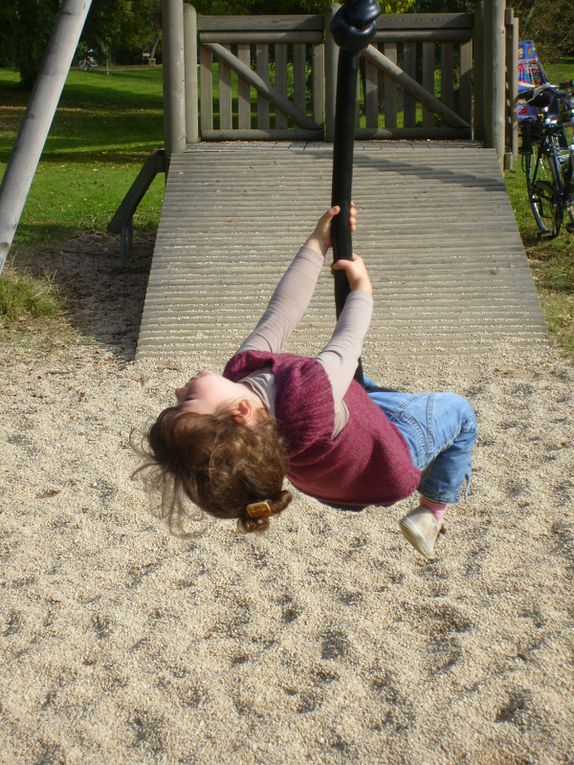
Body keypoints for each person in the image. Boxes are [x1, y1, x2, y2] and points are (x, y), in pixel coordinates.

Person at [136, 206, 477, 560]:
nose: (178, 391)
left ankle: (382, 438)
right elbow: (347, 342)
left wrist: (317, 244)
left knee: (355, 388)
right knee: (461, 414)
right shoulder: (309, 401)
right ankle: (432, 511)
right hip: (390, 464)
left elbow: (281, 313)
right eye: (186, 401)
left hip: (335, 487)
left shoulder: (242, 382)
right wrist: (362, 289)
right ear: (240, 411)